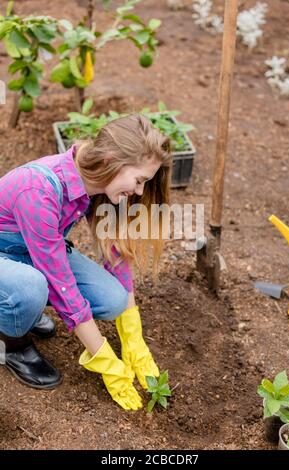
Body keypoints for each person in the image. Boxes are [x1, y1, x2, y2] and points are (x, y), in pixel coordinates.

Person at [0, 113, 172, 410]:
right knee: (32, 288)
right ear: (112, 161)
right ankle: (11, 343)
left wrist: (133, 336)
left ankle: (22, 309)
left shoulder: (97, 184)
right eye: (140, 180)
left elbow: (116, 256)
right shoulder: (38, 189)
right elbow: (61, 284)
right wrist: (105, 360)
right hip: (7, 255)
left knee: (114, 298)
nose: (140, 191)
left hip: (31, 252)